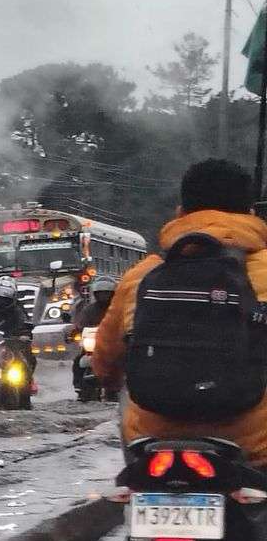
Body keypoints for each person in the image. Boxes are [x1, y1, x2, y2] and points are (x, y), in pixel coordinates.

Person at [92, 158, 267, 468]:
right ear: (251, 213)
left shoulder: (140, 276)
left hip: (152, 444)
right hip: (255, 450)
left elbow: (105, 363)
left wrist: (110, 378)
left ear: (180, 213)